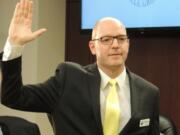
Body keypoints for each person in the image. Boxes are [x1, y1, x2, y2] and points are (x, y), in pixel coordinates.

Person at [1, 0, 160, 134]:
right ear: (92, 47)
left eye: (121, 38)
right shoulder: (68, 79)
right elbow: (14, 97)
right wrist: (14, 45)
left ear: (128, 44)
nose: (115, 45)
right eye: (106, 39)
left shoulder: (149, 93)